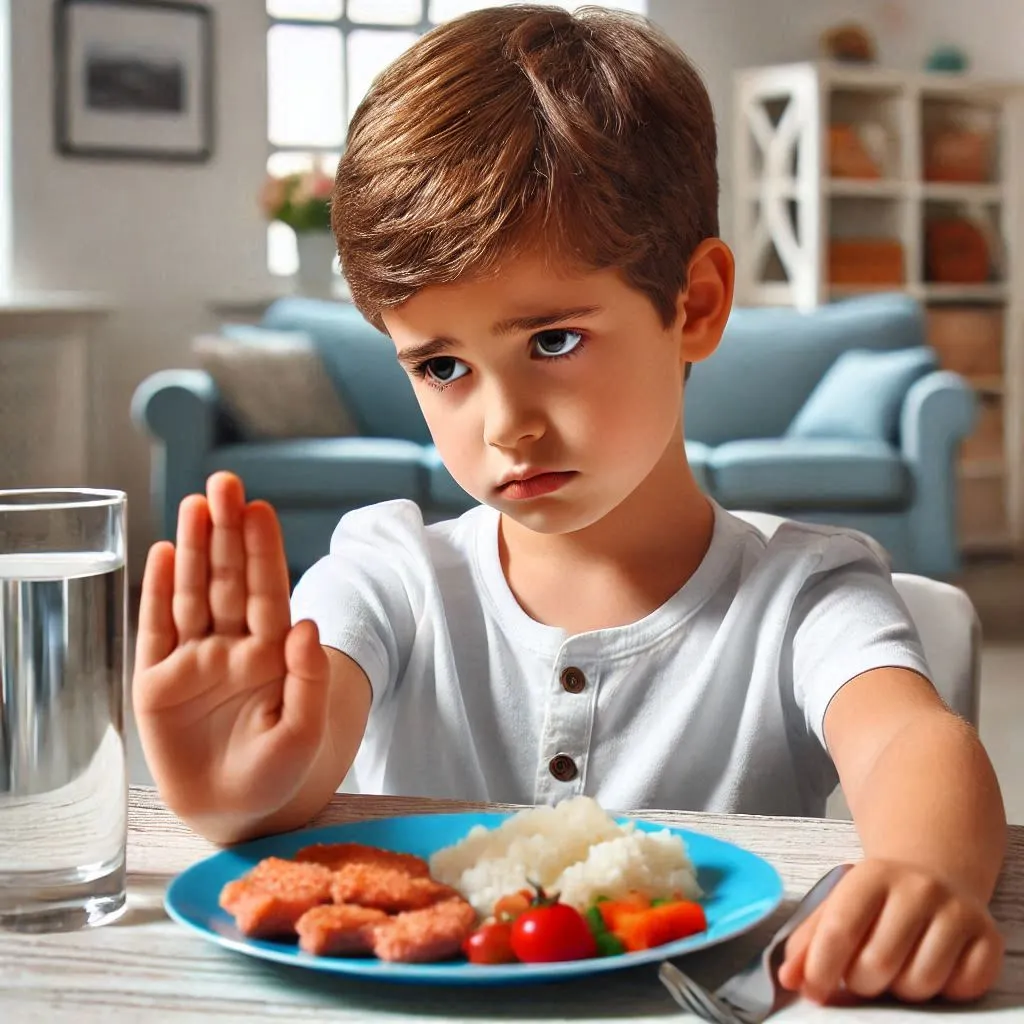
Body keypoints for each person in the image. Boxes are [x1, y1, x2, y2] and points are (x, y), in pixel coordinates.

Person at [133, 4, 1006, 1006]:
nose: (505, 426)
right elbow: (310, 738)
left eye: (552, 341)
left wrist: (927, 876)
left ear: (697, 306)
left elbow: (909, 739)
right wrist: (240, 792)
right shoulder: (389, 571)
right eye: (443, 364)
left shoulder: (802, 592)